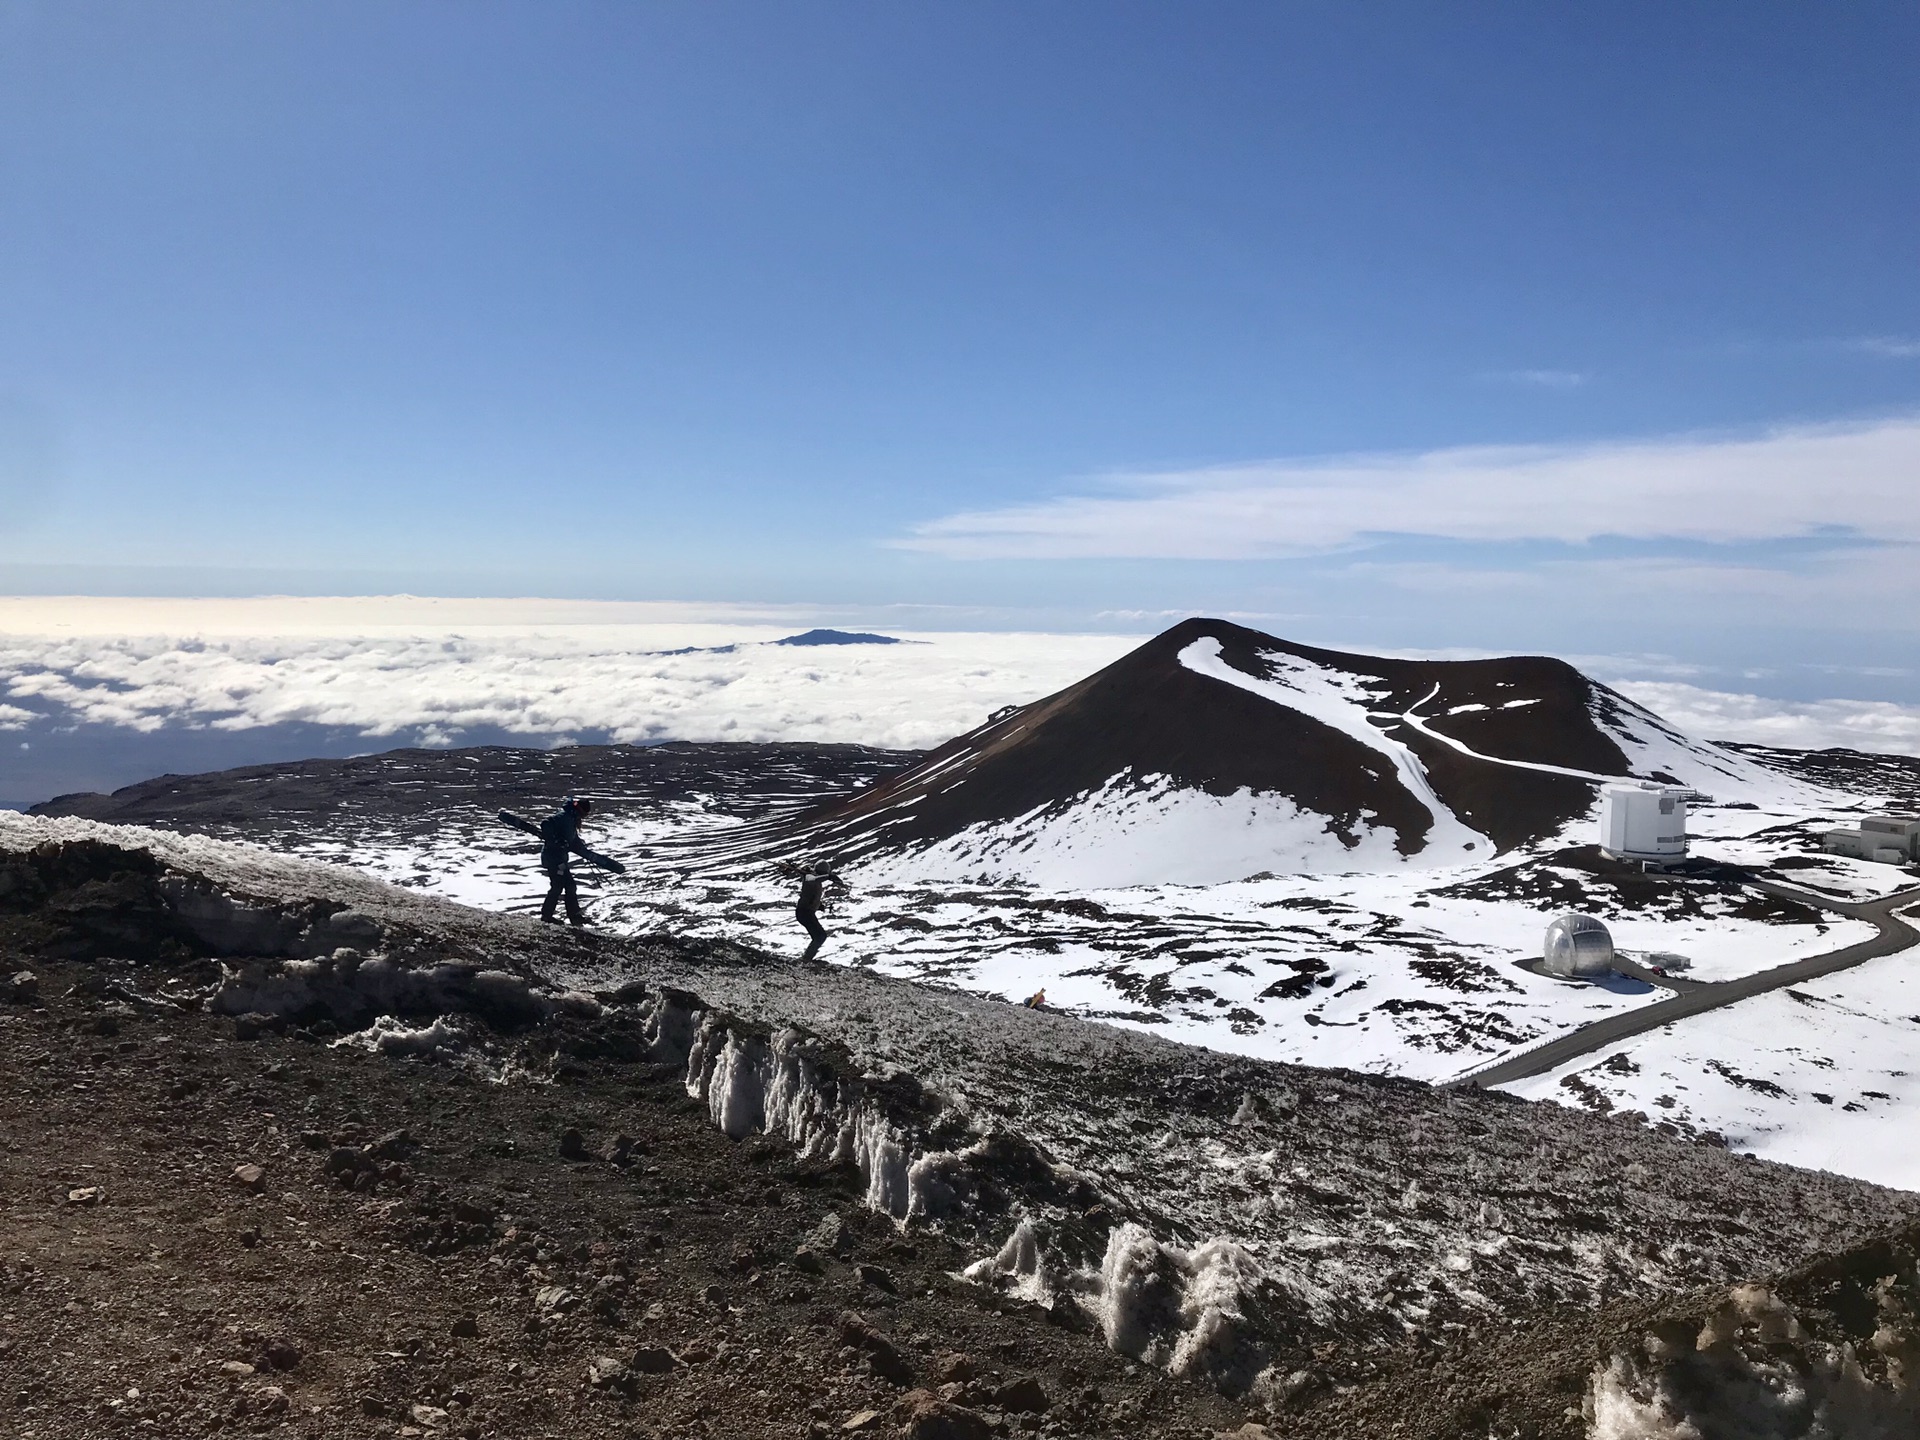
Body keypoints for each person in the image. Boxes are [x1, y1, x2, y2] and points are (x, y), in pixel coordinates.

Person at [538, 796, 601, 927]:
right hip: (553, 858)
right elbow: (545, 824)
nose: (584, 818)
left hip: (560, 859)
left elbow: (572, 839)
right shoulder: (564, 817)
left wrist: (584, 850)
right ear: (580, 810)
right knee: (557, 886)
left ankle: (574, 916)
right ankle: (546, 916)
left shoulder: (571, 819)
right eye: (585, 814)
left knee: (570, 886)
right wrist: (556, 840)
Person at [796, 865, 841, 961]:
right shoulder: (810, 876)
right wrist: (829, 876)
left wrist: (819, 905)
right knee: (820, 936)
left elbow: (810, 894)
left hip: (805, 912)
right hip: (805, 912)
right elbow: (812, 880)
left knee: (819, 936)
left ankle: (807, 958)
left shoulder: (814, 879)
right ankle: (806, 959)